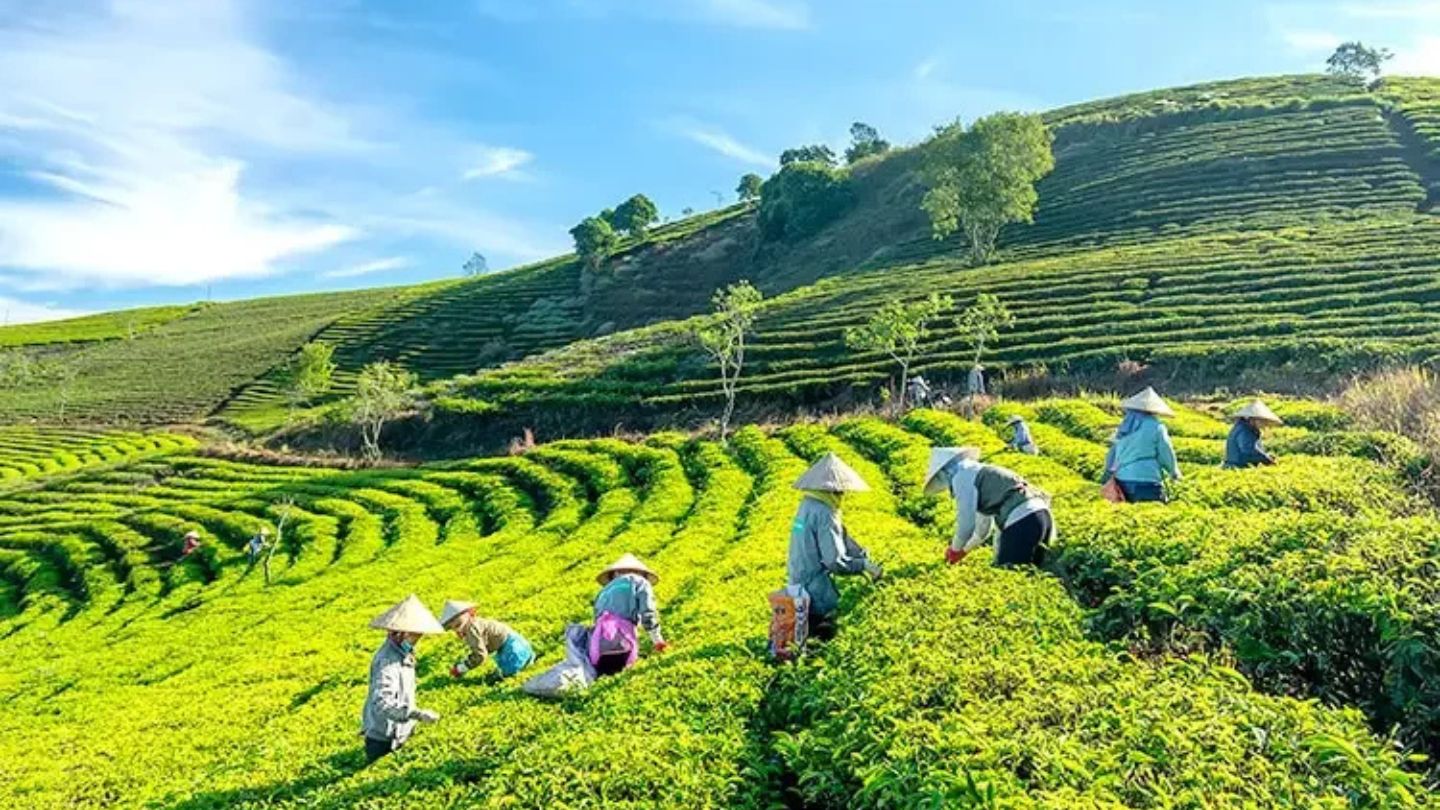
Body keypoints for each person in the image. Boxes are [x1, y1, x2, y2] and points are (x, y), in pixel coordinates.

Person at [786, 453, 882, 641]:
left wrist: (860, 553)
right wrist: (863, 565)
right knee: (821, 637)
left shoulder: (807, 504)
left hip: (797, 581)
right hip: (815, 590)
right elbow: (834, 561)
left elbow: (840, 536)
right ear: (834, 490)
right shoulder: (824, 512)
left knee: (803, 639)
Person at [925, 447, 1054, 567]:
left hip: (1021, 522)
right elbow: (982, 530)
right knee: (1030, 574)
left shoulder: (961, 477)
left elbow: (966, 525)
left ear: (943, 472)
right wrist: (963, 551)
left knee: (1010, 575)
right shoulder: (977, 474)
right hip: (1042, 517)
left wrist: (954, 549)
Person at [362, 594, 444, 763]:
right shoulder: (387, 661)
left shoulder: (404, 654)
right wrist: (416, 714)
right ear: (401, 634)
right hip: (383, 737)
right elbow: (382, 702)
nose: (418, 640)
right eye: (415, 636)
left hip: (401, 732)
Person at [1100, 387, 1181, 503]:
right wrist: (1174, 473)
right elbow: (1166, 454)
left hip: (1122, 481)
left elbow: (1112, 455)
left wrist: (1106, 476)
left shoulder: (1125, 427)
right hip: (1147, 482)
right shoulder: (1156, 427)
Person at [590, 554, 667, 677]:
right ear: (641, 573)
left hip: (597, 646)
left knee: (605, 677)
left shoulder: (603, 592)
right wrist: (657, 640)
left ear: (615, 574)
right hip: (622, 642)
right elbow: (648, 611)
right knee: (626, 675)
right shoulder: (640, 582)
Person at [439, 600, 536, 679]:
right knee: (525, 665)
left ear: (468, 614)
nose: (456, 628)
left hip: (512, 649)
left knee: (508, 674)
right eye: (453, 627)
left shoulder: (471, 629)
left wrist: (462, 668)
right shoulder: (473, 623)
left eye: (458, 624)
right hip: (515, 641)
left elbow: (480, 655)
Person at [1225, 400, 1282, 469]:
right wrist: (1266, 459)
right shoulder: (1244, 430)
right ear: (1253, 419)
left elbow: (1255, 449)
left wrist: (1266, 456)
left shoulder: (1248, 428)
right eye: (1262, 421)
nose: (1264, 424)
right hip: (1236, 467)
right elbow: (1248, 450)